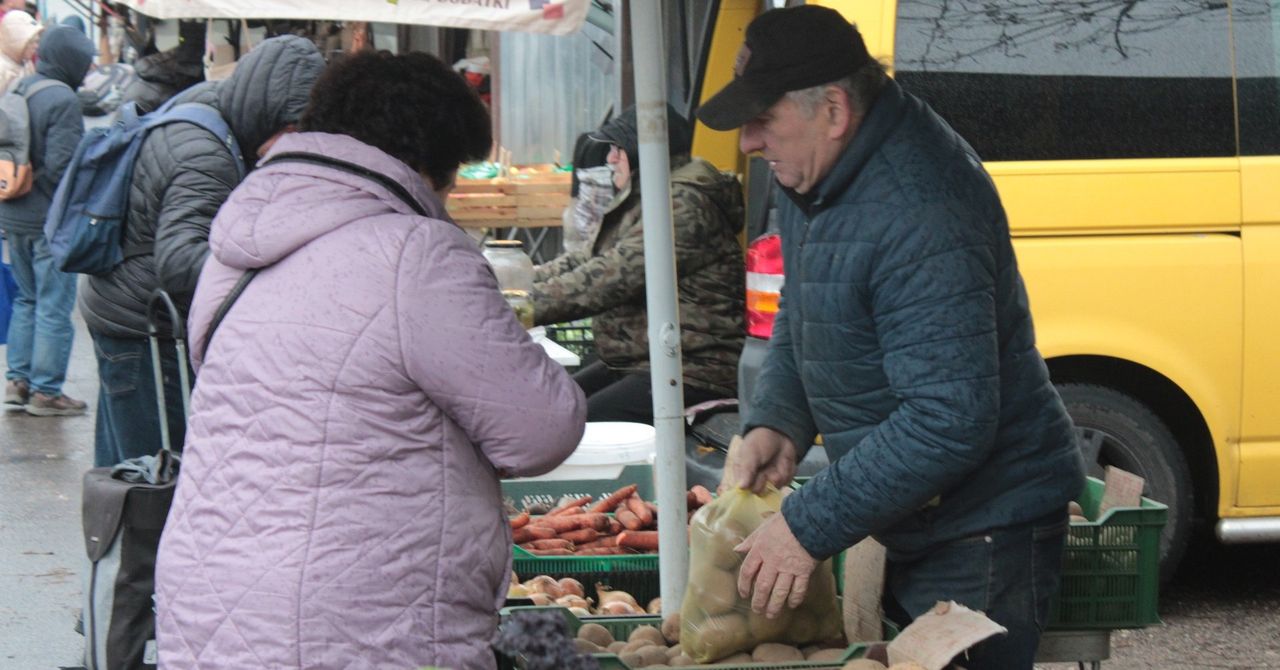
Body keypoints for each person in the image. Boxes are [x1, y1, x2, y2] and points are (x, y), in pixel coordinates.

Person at [154, 50, 587, 670]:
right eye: (453, 176)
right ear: (420, 162)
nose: (451, 195)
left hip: (209, 597)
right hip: (361, 619)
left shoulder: (235, 247)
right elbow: (542, 430)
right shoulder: (416, 255)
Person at [697, 7, 1086, 669]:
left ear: (834, 110)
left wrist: (809, 523)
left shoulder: (921, 205)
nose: (749, 143)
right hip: (915, 513)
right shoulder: (819, 176)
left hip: (982, 529)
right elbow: (808, 307)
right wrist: (780, 420)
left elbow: (950, 418)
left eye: (763, 120)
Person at [77, 35, 324, 467]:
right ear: (268, 107)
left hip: (123, 313)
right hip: (143, 330)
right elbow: (179, 262)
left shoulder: (213, 106)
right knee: (151, 486)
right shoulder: (206, 153)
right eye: (293, 129)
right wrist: (275, 274)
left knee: (124, 477)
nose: (295, 142)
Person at [531, 104, 745, 424]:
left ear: (642, 151)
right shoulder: (649, 196)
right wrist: (518, 282)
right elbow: (588, 258)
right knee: (549, 408)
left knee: (567, 428)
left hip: (694, 366)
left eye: (618, 149)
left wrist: (518, 307)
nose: (610, 159)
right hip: (643, 359)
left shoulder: (682, 203)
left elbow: (610, 277)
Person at [0, 25, 94, 415]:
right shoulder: (62, 100)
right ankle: (47, 392)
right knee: (55, 304)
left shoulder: (21, 87)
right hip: (48, 221)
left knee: (27, 298)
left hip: (13, 211)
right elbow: (63, 167)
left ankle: (17, 381)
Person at [0, 9, 40, 91]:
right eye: (31, 42)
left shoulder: (26, 63)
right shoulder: (2, 70)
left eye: (36, 41)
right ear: (15, 40)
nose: (36, 46)